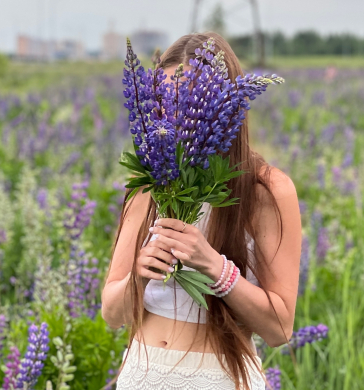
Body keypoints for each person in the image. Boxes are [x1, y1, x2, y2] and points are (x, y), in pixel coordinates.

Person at [101, 32, 303, 390]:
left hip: (220, 379)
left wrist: (214, 266)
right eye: (162, 99)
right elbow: (111, 315)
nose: (169, 114)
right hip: (142, 376)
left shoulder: (265, 189)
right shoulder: (148, 184)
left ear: (220, 109)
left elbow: (279, 328)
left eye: (183, 100)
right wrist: (139, 275)